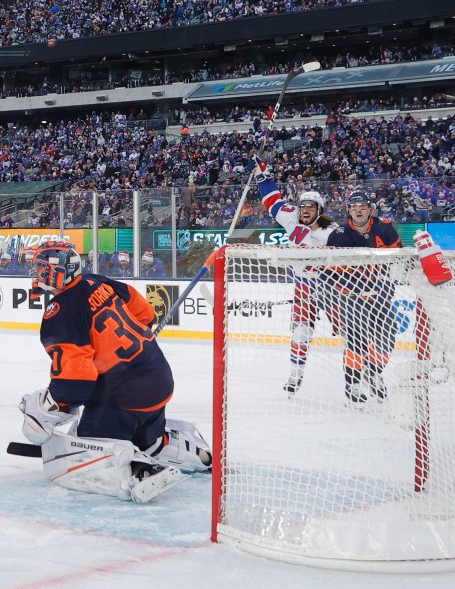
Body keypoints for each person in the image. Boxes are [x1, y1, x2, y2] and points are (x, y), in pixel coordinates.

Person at [18, 240, 211, 503]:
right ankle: (186, 450)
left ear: (56, 270)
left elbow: (75, 382)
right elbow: (145, 312)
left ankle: (140, 470)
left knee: (86, 447)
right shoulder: (95, 281)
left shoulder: (59, 312)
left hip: (124, 395)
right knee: (146, 436)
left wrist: (49, 409)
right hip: (157, 374)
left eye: (40, 268)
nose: (37, 274)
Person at [253, 162, 338, 394]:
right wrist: (263, 177)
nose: (305, 210)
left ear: (319, 209)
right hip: (304, 287)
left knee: (349, 333)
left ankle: (359, 378)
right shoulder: (292, 218)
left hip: (333, 289)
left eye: (311, 206)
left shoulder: (332, 231)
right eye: (303, 206)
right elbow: (272, 202)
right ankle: (295, 376)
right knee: (301, 333)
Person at [325, 189, 403, 404]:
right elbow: (328, 271)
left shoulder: (384, 228)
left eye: (362, 207)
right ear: (349, 211)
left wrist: (385, 283)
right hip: (351, 296)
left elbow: (397, 258)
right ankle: (353, 383)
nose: (358, 210)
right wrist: (347, 287)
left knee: (386, 340)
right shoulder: (338, 235)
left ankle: (372, 372)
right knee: (356, 341)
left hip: (380, 294)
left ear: (370, 209)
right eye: (353, 207)